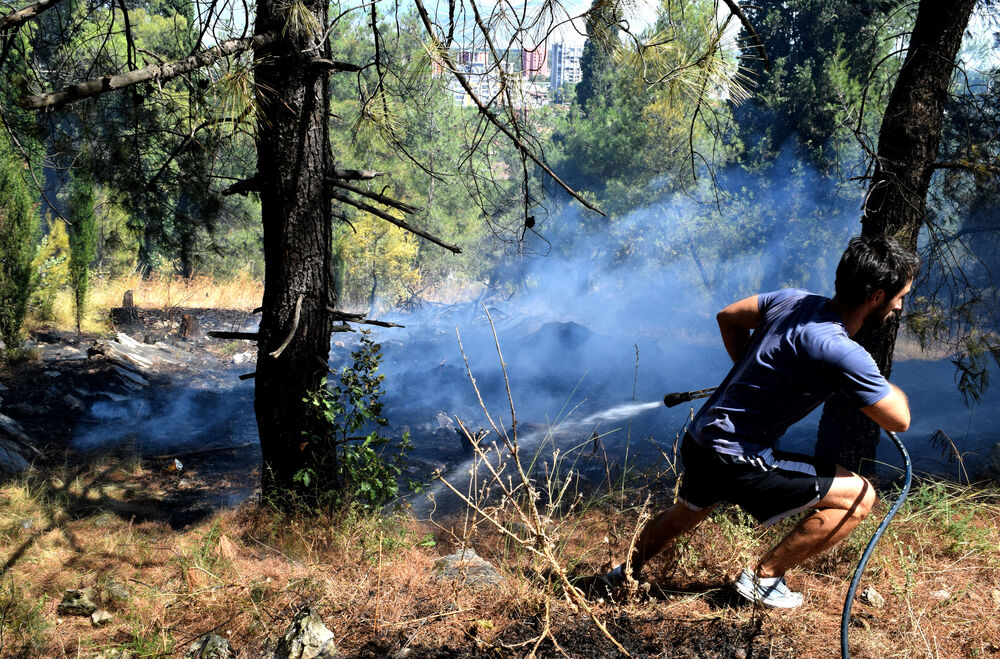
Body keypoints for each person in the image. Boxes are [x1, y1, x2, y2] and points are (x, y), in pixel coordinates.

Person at [605, 235, 920, 608]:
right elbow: (899, 419)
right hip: (737, 457)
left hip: (702, 440)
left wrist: (749, 366)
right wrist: (866, 378)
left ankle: (621, 573)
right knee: (860, 497)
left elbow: (728, 316)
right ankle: (764, 577)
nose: (900, 305)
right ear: (877, 296)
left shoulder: (792, 300)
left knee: (686, 512)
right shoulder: (841, 350)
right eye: (900, 296)